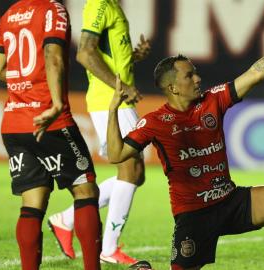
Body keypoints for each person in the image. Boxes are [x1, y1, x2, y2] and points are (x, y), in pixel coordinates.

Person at [106, 9, 264, 270]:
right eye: (189, 75)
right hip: (194, 216)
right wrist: (112, 111)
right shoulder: (154, 122)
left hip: (231, 201)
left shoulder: (213, 100)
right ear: (173, 88)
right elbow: (116, 155)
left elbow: (256, 73)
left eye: (195, 72)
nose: (197, 78)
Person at [0, 0, 102, 269]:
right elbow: (53, 56)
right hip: (48, 120)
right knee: (85, 189)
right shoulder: (53, 9)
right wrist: (55, 104)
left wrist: (25, 80)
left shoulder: (9, 15)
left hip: (14, 124)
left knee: (32, 202)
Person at [47, 0, 150, 265]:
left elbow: (105, 53)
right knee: (131, 170)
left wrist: (132, 57)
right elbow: (85, 53)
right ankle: (110, 248)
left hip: (115, 99)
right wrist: (124, 86)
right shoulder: (99, 4)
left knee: (134, 173)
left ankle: (65, 220)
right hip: (110, 100)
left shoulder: (112, 5)